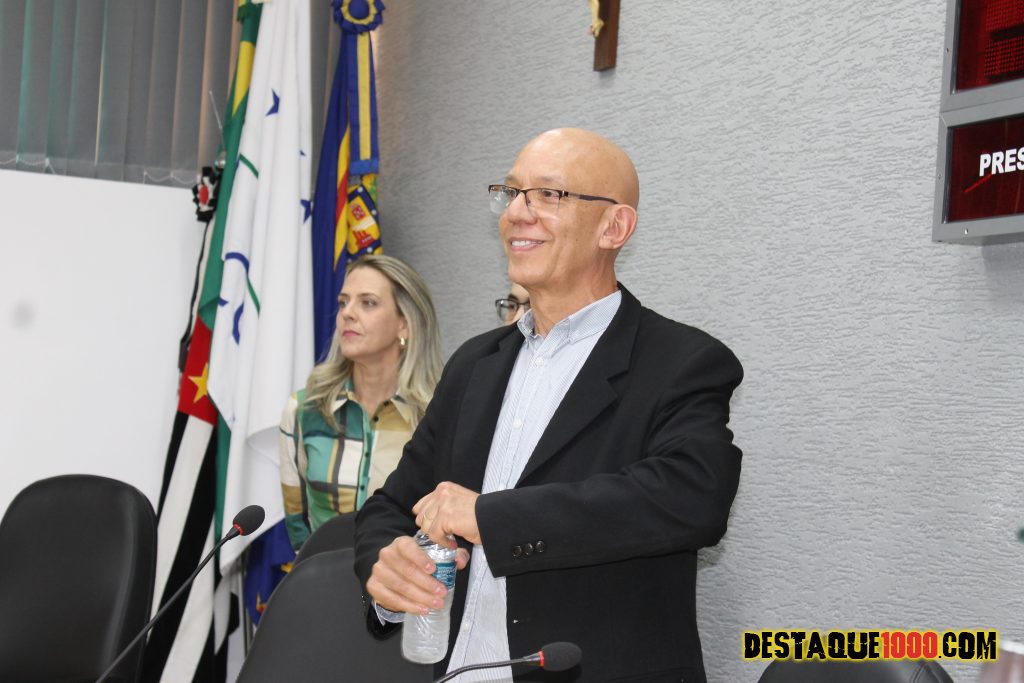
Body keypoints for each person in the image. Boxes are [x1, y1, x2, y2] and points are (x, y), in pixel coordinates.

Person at [354, 128, 743, 682]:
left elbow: (690, 497)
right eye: (511, 192)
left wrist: (490, 517)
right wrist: (386, 564)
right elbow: (393, 505)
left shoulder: (681, 361)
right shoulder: (475, 363)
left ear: (614, 227)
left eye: (548, 195)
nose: (517, 212)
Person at [279, 254, 443, 553]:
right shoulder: (305, 409)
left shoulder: (436, 416)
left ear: (404, 325)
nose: (347, 314)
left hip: (408, 580)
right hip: (322, 577)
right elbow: (298, 524)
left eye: (368, 303)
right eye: (343, 302)